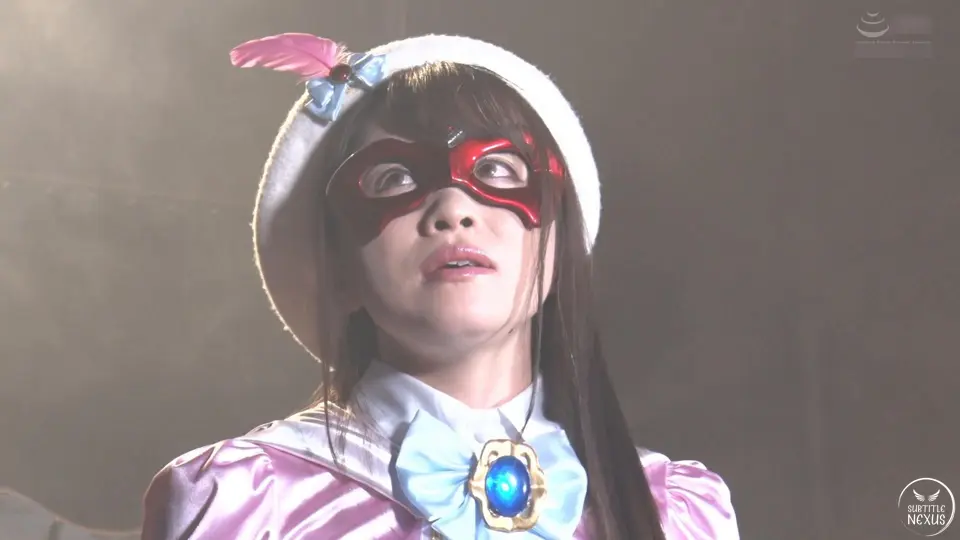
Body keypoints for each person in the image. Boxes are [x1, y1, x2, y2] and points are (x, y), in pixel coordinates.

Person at [140, 32, 740, 540]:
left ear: (556, 241)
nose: (453, 208)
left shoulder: (675, 512)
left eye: (497, 169)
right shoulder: (248, 504)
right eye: (395, 177)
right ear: (338, 268)